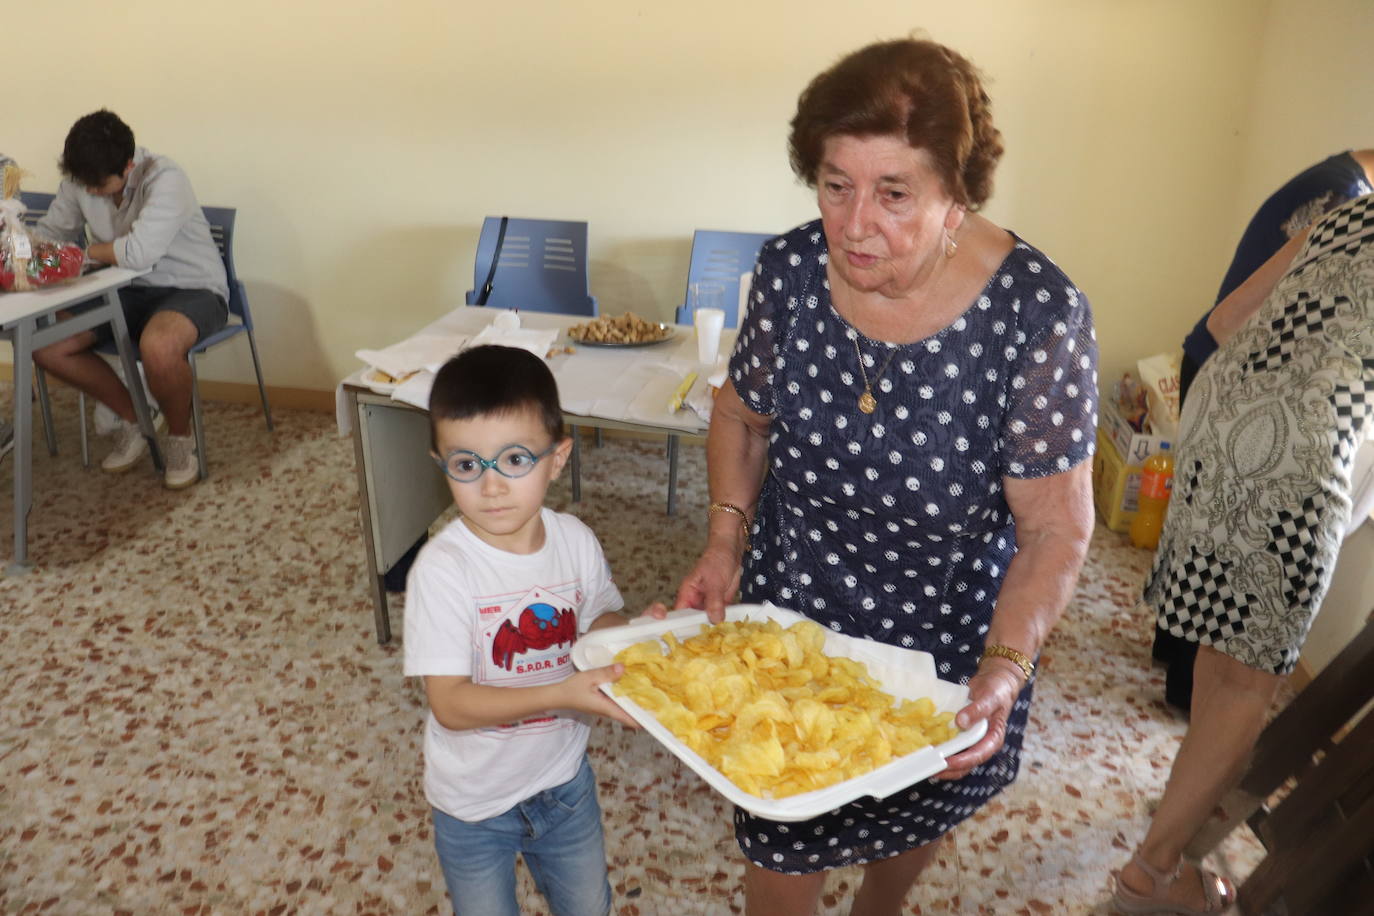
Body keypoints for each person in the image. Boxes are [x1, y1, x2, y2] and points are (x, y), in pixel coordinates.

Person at [670, 38, 1097, 916]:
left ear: (957, 196)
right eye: (836, 185)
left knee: (913, 815)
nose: (855, 223)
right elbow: (742, 415)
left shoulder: (1036, 314)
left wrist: (1007, 666)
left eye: (895, 193)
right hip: (795, 615)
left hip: (944, 642)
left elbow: (1056, 526)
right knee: (782, 838)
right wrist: (723, 541)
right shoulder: (791, 270)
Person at [1114, 193, 1374, 914]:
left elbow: (1226, 321)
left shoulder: (1350, 214)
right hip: (1303, 447)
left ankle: (1173, 819)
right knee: (1248, 684)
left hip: (1220, 422)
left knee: (1215, 644)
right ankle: (1151, 877)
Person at [403, 344, 639, 916]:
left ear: (557, 459)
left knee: (588, 907)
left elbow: (597, 618)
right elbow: (451, 704)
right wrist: (561, 693)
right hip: (473, 805)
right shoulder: (442, 570)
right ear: (441, 464)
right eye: (466, 465)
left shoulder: (576, 541)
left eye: (514, 460)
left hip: (564, 784)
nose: (490, 487)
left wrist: (633, 636)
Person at [1155, 149, 1374, 711]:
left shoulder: (1330, 186)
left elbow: (1229, 315)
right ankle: (1187, 694)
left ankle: (1174, 657)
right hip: (1255, 391)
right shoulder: (1346, 201)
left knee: (1204, 539)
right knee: (1234, 585)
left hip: (1215, 371)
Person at [32, 109, 229, 489]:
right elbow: (50, 236)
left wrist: (84, 253)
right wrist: (22, 250)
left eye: (98, 184)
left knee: (158, 347)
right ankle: (137, 418)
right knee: (47, 347)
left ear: (127, 164)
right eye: (82, 182)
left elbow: (139, 254)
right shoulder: (82, 179)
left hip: (191, 287)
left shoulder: (166, 178)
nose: (89, 191)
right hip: (121, 287)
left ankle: (179, 440)